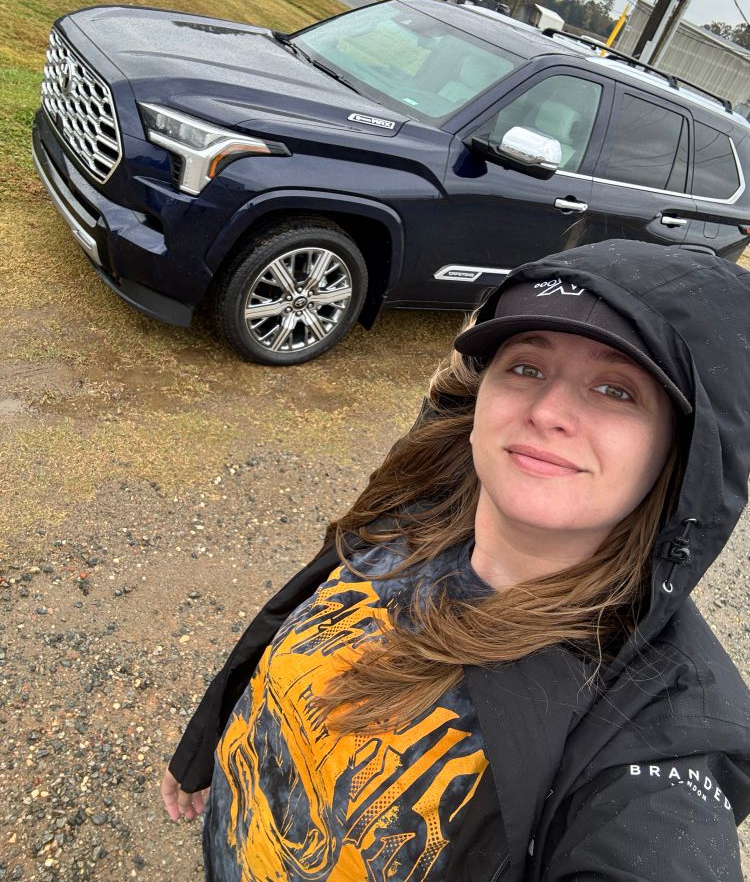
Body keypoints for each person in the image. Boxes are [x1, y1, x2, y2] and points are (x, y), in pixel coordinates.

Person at [162, 239, 750, 881]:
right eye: (526, 367)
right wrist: (205, 745)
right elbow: (293, 614)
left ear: (681, 453)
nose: (548, 412)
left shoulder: (655, 727)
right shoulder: (424, 505)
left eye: (615, 389)